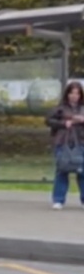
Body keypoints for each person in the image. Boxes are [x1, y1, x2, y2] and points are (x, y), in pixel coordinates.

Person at [45, 80, 84, 209]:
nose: (74, 96)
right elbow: (49, 120)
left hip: (81, 143)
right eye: (72, 93)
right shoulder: (60, 108)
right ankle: (58, 200)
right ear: (67, 94)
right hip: (63, 142)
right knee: (62, 170)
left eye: (77, 94)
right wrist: (64, 123)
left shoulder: (82, 108)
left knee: (82, 172)